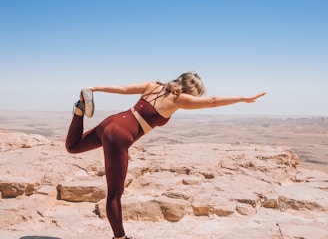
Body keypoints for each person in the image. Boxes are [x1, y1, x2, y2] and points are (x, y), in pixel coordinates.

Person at [65, 71, 266, 239]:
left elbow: (122, 89)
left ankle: (78, 111)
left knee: (73, 146)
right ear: (191, 89)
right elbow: (212, 102)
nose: (195, 98)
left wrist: (94, 88)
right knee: (115, 194)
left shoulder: (152, 86)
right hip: (119, 136)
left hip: (112, 121)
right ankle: (120, 238)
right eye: (196, 93)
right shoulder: (179, 99)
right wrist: (242, 99)